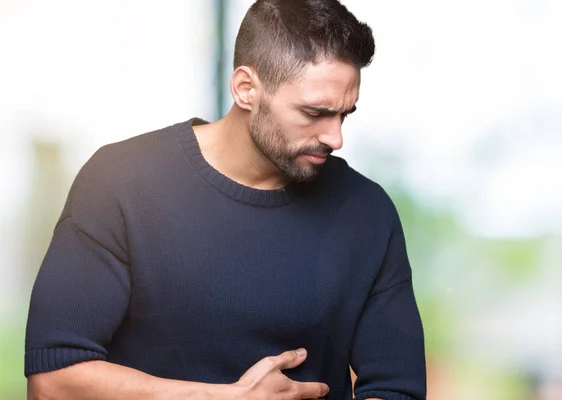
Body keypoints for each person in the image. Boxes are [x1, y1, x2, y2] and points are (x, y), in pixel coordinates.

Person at [25, 0, 426, 399]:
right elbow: (53, 382)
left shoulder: (367, 212)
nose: (335, 138)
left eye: (344, 114)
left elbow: (397, 389)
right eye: (314, 112)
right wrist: (226, 397)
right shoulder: (121, 181)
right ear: (245, 88)